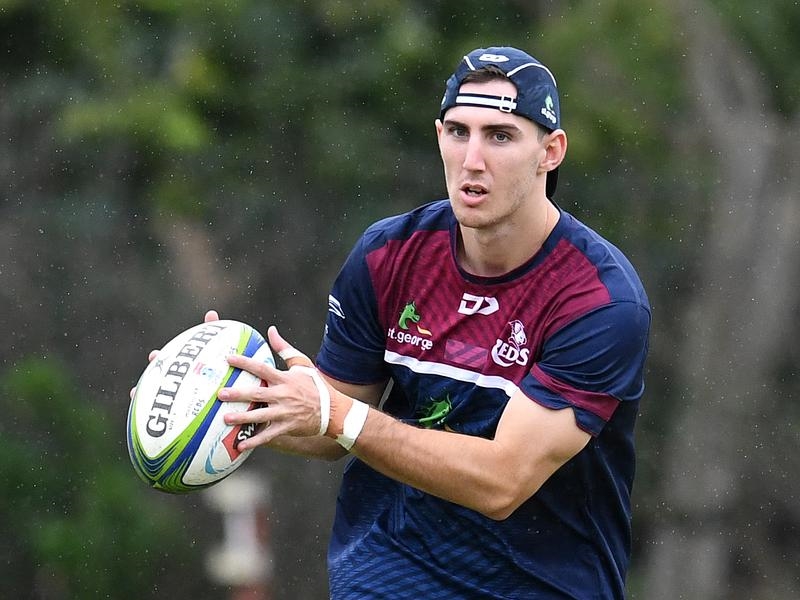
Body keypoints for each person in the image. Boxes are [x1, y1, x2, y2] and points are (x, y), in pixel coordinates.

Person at [215, 46, 650, 598]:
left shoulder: (599, 300)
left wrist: (336, 413)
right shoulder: (387, 255)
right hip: (387, 577)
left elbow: (502, 481)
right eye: (458, 132)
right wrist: (227, 403)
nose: (473, 159)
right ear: (439, 135)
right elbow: (331, 429)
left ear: (551, 152)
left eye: (500, 136)